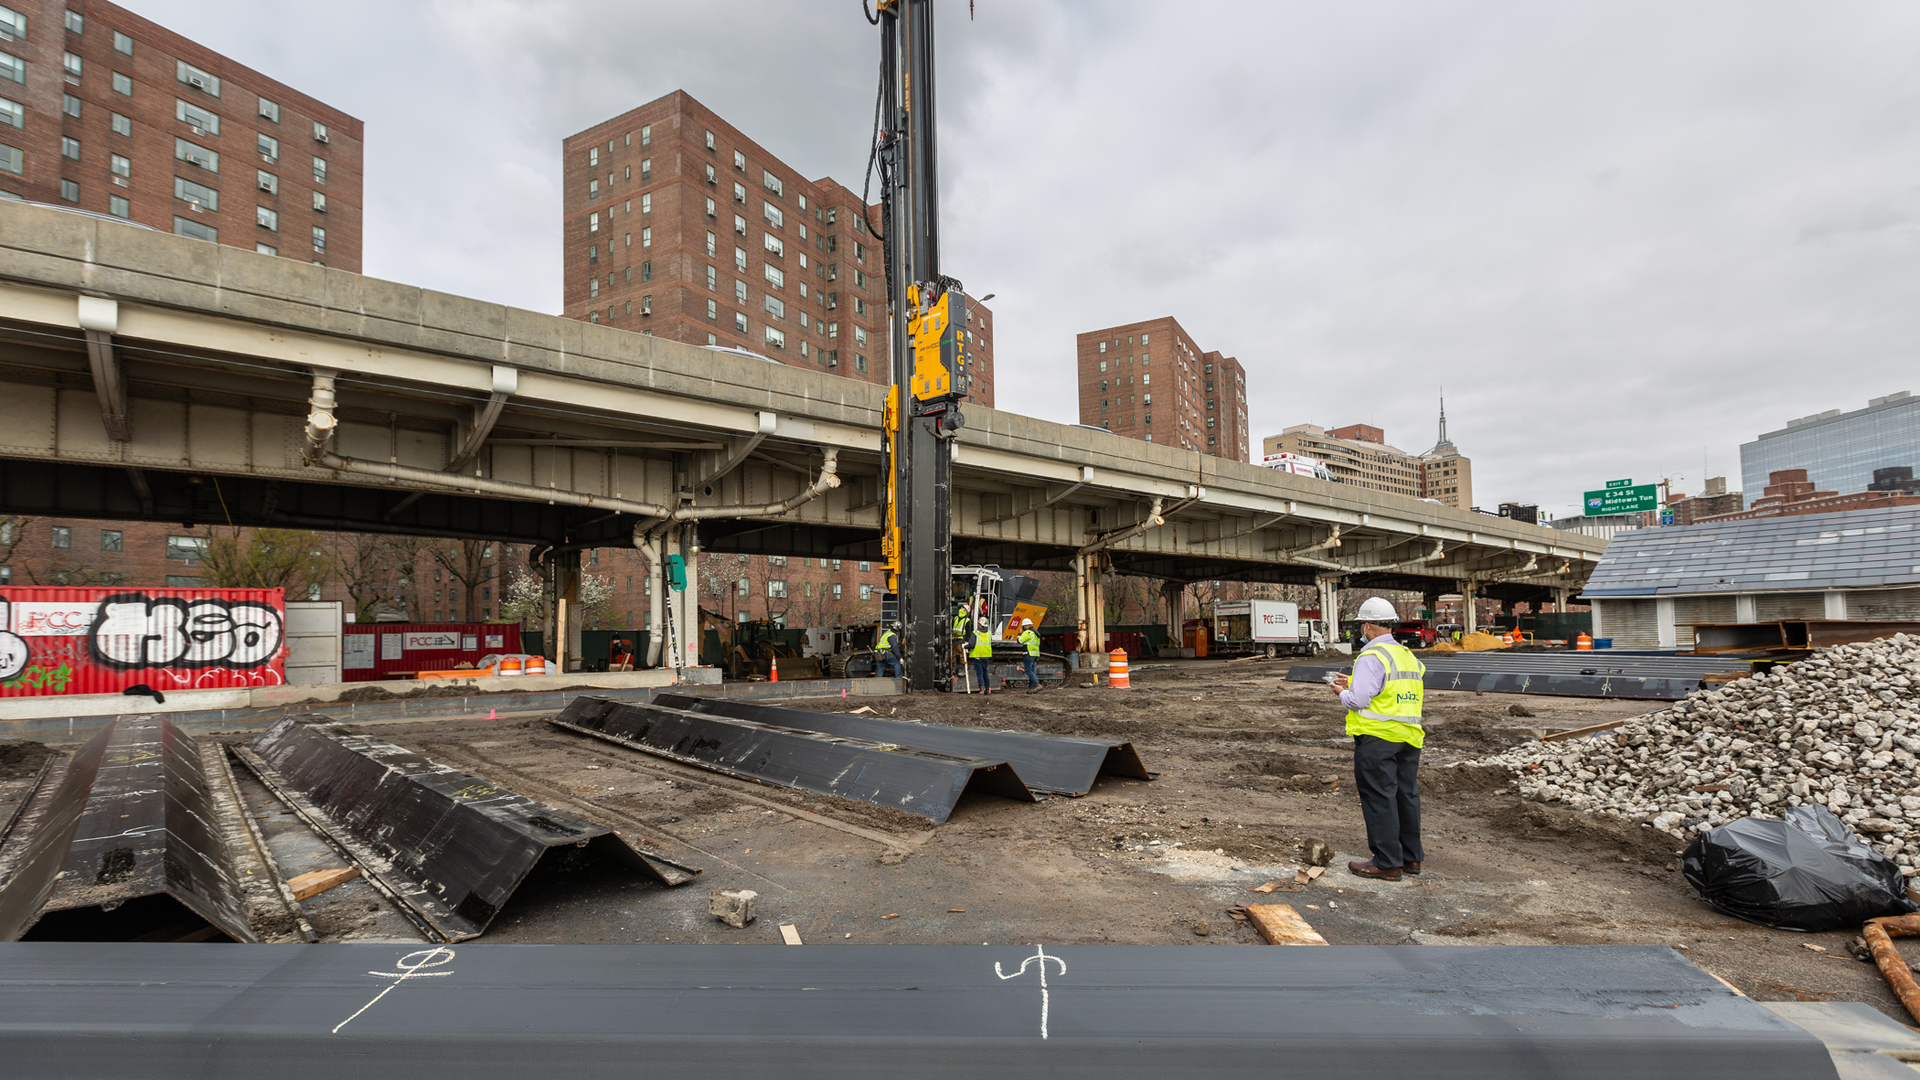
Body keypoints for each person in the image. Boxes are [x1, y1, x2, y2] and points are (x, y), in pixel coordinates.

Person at [1328, 596, 1426, 882]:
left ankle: (1387, 862)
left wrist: (1341, 692)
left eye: (1362, 625)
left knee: (1380, 797)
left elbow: (1358, 700)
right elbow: (1390, 690)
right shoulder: (1407, 656)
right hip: (1409, 737)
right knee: (1405, 795)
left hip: (1378, 738)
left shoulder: (1371, 656)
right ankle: (1411, 857)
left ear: (1367, 625)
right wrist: (1355, 681)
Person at [968, 619, 996, 693]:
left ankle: (981, 688)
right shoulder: (989, 633)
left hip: (978, 656)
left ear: (979, 624)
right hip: (986, 656)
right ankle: (987, 688)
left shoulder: (975, 633)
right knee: (985, 672)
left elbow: (971, 644)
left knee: (979, 673)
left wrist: (965, 646)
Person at [1016, 617, 1043, 691]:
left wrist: (1019, 633)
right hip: (1036, 654)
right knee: (1032, 671)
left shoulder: (1027, 632)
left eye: (1024, 626)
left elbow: (1019, 641)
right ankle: (1031, 688)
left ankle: (1037, 684)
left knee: (1028, 670)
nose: (1023, 628)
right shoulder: (1035, 633)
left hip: (1029, 654)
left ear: (1027, 626)